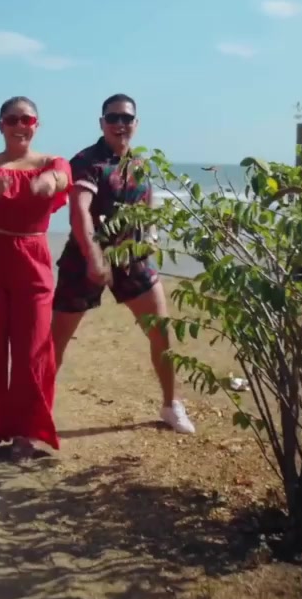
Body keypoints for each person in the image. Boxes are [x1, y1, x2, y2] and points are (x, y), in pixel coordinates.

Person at [50, 93, 196, 435]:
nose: (120, 124)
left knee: (161, 331)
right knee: (56, 342)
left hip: (132, 259)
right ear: (101, 123)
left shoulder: (139, 163)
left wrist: (152, 236)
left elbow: (147, 201)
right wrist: (94, 258)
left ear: (136, 123)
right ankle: (35, 414)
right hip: (84, 259)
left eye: (126, 118)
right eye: (112, 118)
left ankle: (171, 404)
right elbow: (79, 212)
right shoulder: (87, 161)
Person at [0, 96, 71, 461]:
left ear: (36, 125)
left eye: (27, 119)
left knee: (34, 348)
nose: (20, 125)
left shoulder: (52, 162)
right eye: (12, 119)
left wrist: (51, 180)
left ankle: (27, 432)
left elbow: (61, 178)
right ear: (1, 126)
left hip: (34, 257)